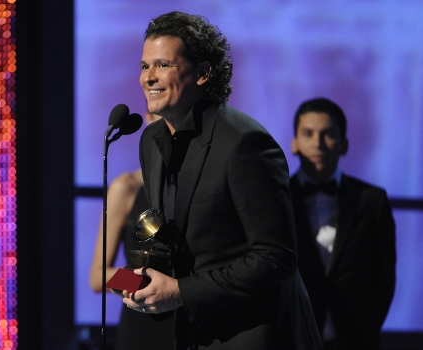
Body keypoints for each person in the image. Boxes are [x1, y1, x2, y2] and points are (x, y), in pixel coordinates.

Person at [118, 11, 322, 349]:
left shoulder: (245, 143)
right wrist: (144, 277)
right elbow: (174, 240)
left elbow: (275, 257)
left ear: (202, 74)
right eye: (144, 66)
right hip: (191, 333)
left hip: (253, 333)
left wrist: (182, 291)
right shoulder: (149, 141)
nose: (149, 78)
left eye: (163, 65)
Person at [289, 97, 396, 349]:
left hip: (356, 339)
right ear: (294, 143)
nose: (318, 144)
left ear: (344, 144)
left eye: (328, 134)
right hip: (291, 337)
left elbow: (384, 277)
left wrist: (366, 329)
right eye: (308, 134)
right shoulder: (274, 197)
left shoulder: (372, 200)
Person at [90, 111, 175, 350]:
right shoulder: (125, 188)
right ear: (147, 118)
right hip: (141, 323)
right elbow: (97, 276)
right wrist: (142, 283)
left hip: (190, 319)